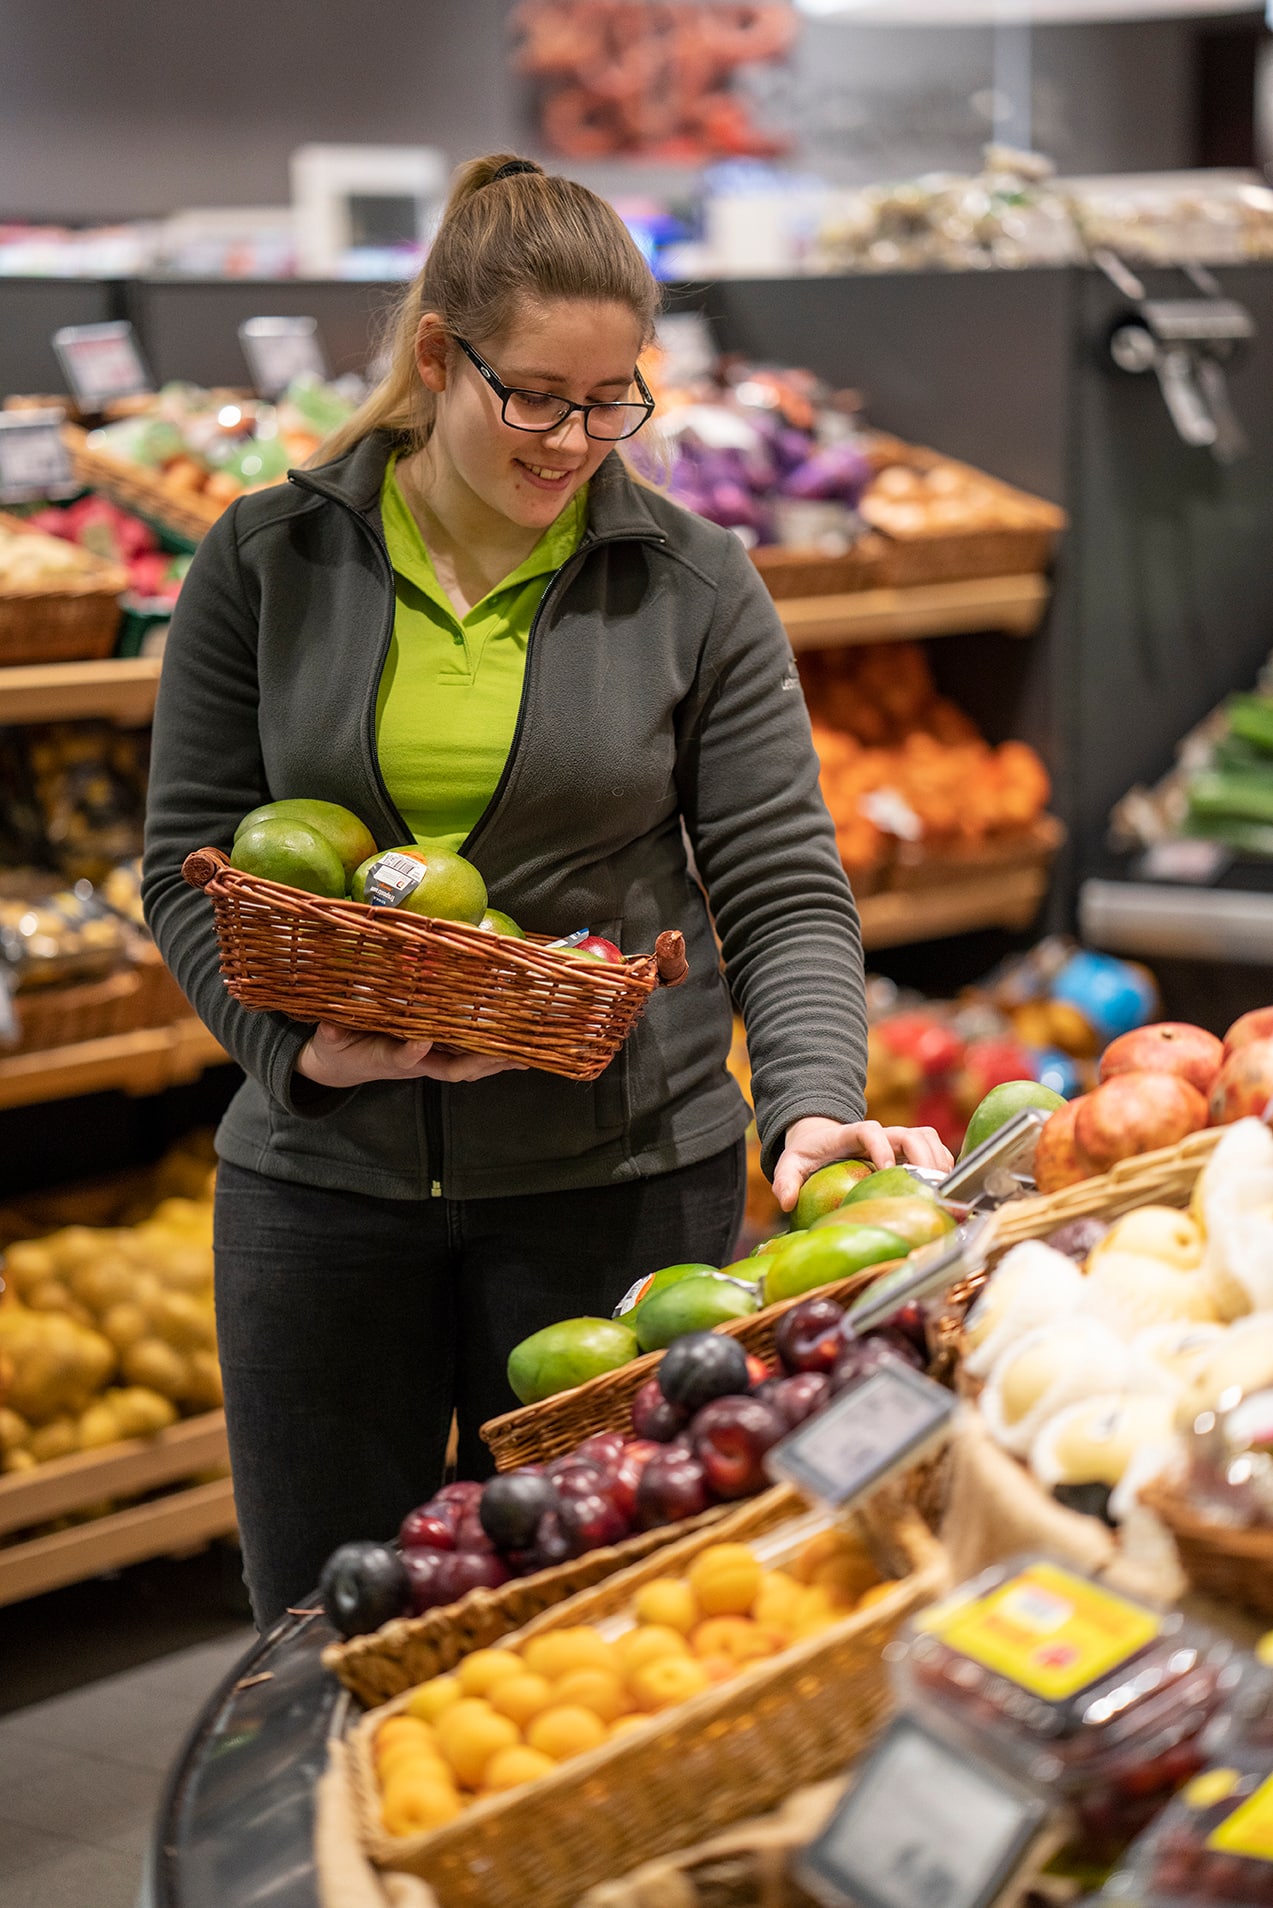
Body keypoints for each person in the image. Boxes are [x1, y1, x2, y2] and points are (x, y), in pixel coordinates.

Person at [143, 153, 951, 1629]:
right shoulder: (269, 560)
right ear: (438, 358)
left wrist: (817, 1095)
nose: (578, 438)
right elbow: (186, 858)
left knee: (602, 1619)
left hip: (621, 1193)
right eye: (537, 396)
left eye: (612, 400)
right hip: (325, 1201)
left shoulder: (694, 581)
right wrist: (296, 1056)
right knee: (333, 1627)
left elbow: (779, 884)